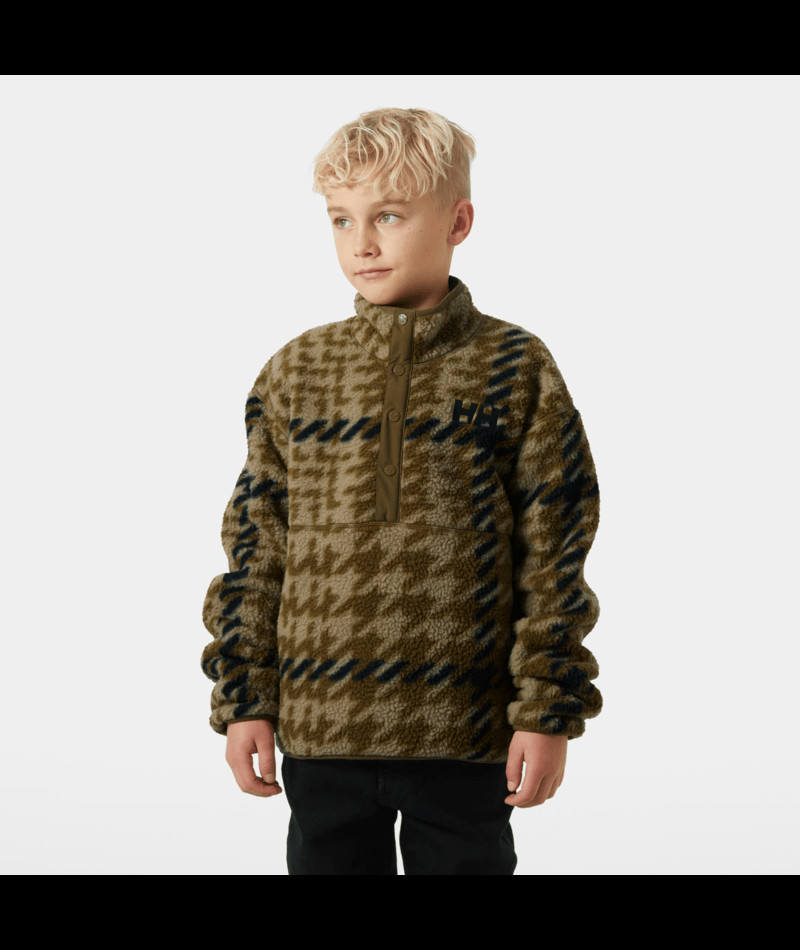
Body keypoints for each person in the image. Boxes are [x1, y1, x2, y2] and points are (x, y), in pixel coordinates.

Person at [201, 108, 603, 875]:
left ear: (458, 222)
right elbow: (256, 546)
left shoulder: (514, 366)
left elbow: (555, 549)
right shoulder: (296, 371)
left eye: (387, 215)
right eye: (341, 219)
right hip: (319, 726)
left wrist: (547, 708)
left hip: (465, 727)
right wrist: (244, 696)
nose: (362, 242)